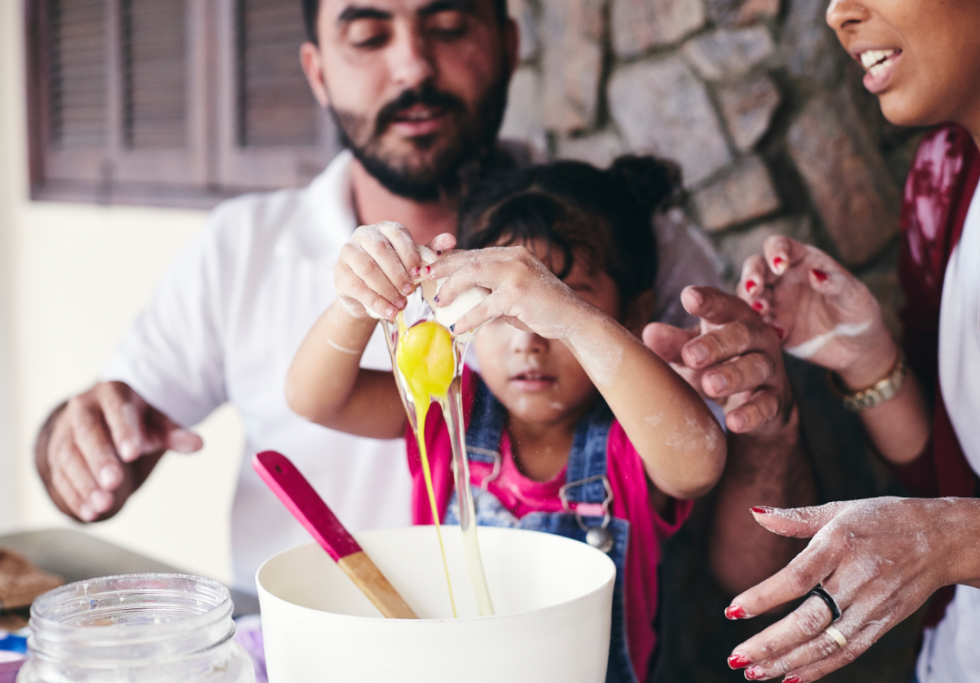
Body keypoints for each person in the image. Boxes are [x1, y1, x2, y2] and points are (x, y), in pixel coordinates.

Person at [32, 0, 808, 598]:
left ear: (508, 44)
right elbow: (299, 397)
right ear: (316, 69)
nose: (412, 68)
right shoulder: (240, 246)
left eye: (444, 24)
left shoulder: (626, 236)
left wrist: (571, 310)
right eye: (369, 37)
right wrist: (80, 443)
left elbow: (710, 491)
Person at [286, 156, 727, 683]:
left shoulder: (631, 438)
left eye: (564, 301)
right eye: (497, 306)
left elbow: (699, 461)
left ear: (629, 313)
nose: (528, 338)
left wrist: (572, 318)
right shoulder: (450, 407)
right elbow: (314, 400)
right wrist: (359, 301)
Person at [719, 0, 980, 683]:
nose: (838, 15)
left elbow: (951, 519)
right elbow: (945, 482)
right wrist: (868, 358)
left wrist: (953, 539)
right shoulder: (944, 176)